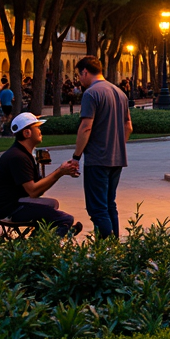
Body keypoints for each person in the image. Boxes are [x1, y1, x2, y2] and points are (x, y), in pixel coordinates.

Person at [0, 112, 82, 236]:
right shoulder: (18, 157)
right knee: (65, 219)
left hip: (13, 204)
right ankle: (40, 246)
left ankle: (35, 240)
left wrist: (59, 171)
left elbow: (37, 189)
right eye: (37, 127)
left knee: (52, 204)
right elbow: (33, 192)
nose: (40, 131)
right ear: (27, 133)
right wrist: (60, 172)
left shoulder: (23, 154)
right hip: (9, 210)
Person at [71, 56, 131, 239]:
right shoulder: (120, 93)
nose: (79, 79)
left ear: (85, 72)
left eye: (79, 75)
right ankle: (113, 248)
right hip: (117, 158)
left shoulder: (91, 93)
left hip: (97, 159)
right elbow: (128, 127)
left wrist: (76, 156)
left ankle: (104, 247)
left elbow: (86, 127)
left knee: (97, 207)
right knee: (109, 203)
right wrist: (117, 144)